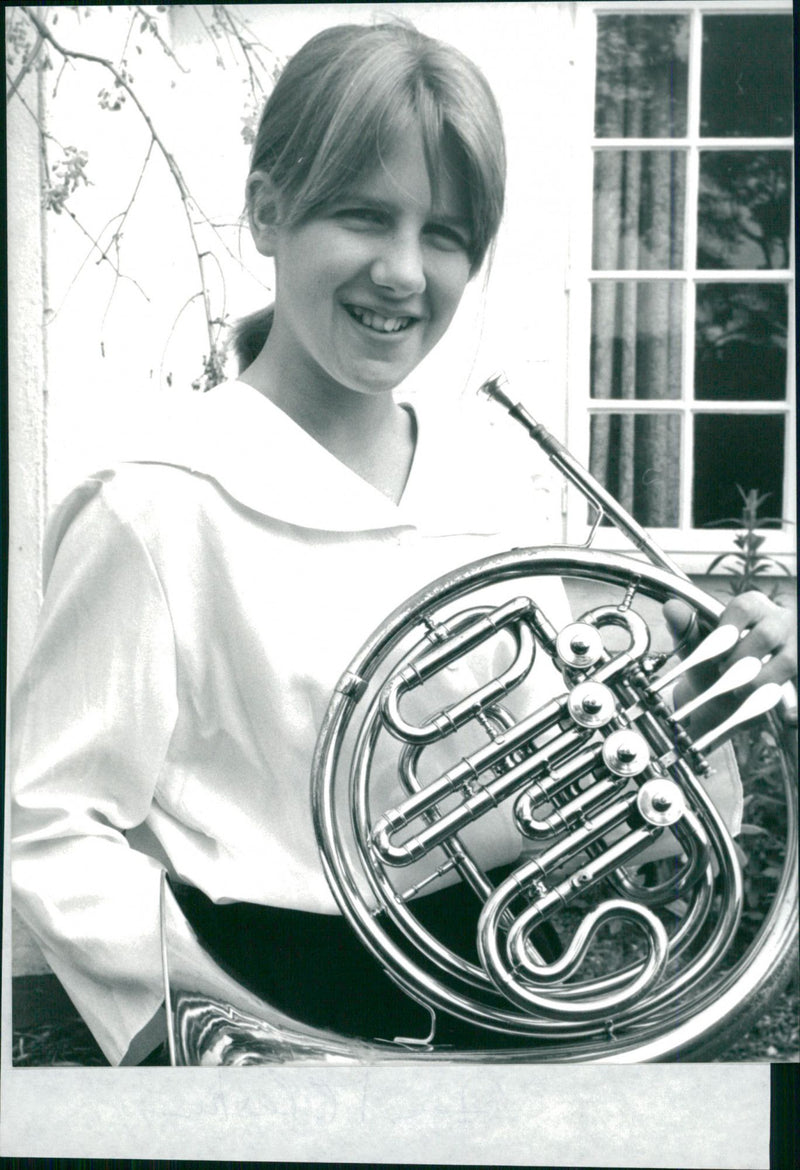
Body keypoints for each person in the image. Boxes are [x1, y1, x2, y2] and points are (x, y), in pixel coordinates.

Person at [11, 21, 796, 1067]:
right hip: (273, 1006)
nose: (401, 272)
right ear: (267, 211)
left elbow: (572, 800)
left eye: (446, 233)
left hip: (509, 997)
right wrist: (197, 1035)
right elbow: (53, 820)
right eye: (362, 214)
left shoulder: (490, 491)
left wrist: (702, 698)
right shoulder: (156, 503)